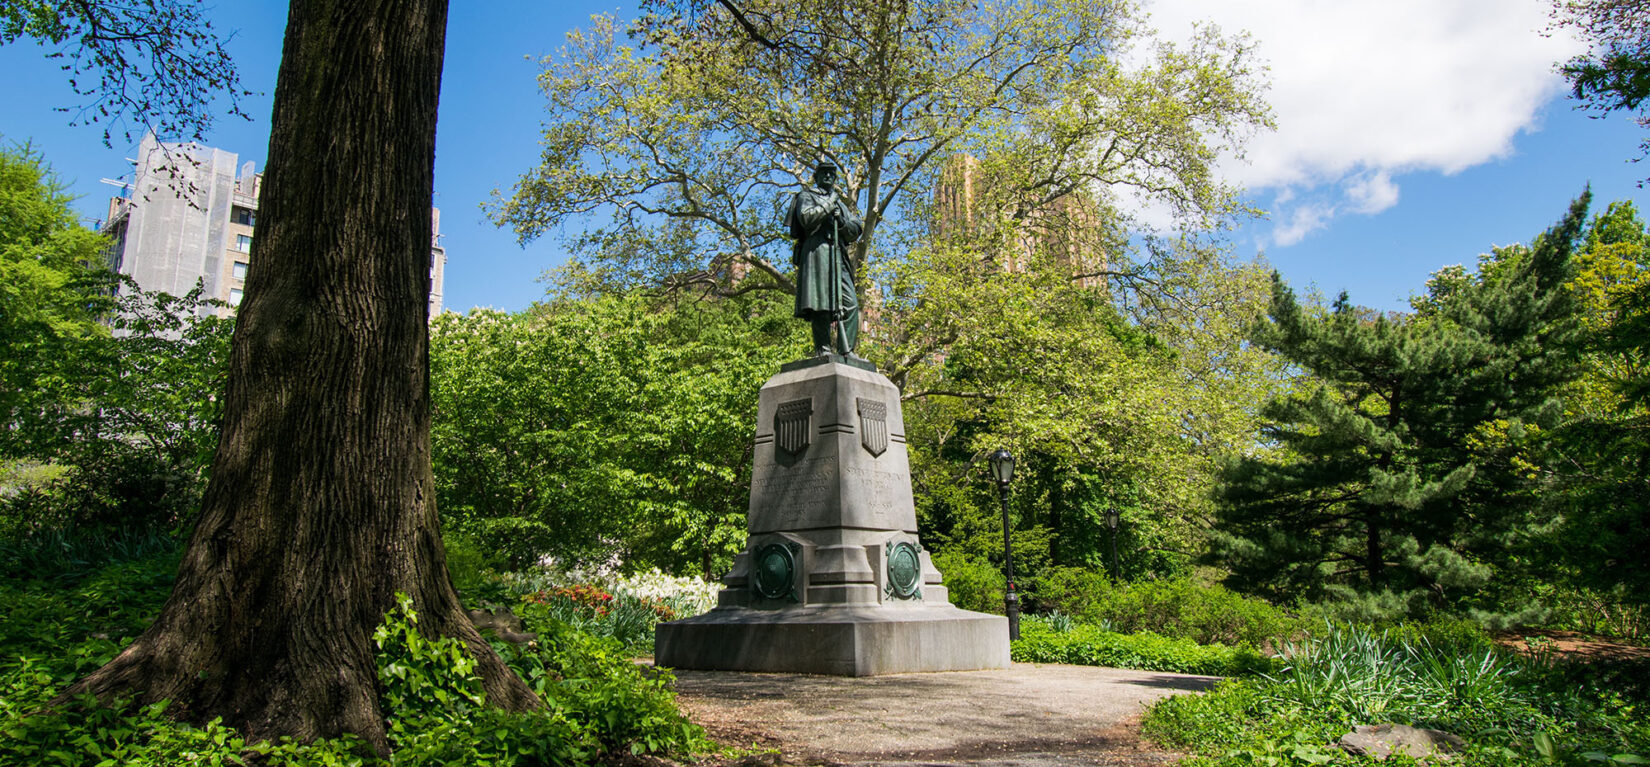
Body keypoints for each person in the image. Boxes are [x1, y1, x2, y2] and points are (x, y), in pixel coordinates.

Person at [786, 161, 864, 357]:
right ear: (817, 177)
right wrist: (829, 206)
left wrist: (841, 221)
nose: (828, 176)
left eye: (832, 174)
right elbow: (806, 218)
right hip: (817, 252)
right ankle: (823, 348)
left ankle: (847, 350)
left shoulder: (840, 204)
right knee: (821, 302)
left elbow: (856, 229)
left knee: (851, 303)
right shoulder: (807, 196)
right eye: (824, 173)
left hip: (837, 254)